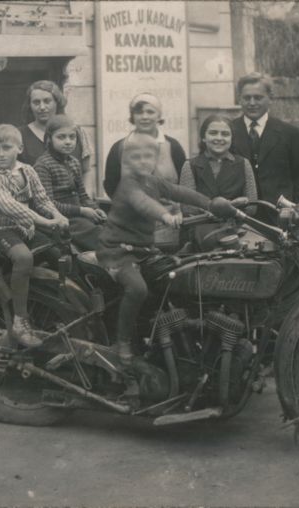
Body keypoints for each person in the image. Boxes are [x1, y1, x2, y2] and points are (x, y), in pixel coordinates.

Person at [97, 133, 237, 367]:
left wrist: (210, 204)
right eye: (136, 157)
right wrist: (165, 216)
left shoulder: (154, 181)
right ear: (126, 161)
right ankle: (121, 341)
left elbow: (180, 192)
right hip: (118, 251)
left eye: (148, 157)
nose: (143, 161)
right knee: (137, 288)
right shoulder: (129, 185)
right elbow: (143, 203)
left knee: (172, 280)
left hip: (143, 250)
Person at [0, 124, 69, 348]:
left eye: (6, 147)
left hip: (22, 228)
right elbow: (10, 207)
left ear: (19, 148)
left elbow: (41, 198)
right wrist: (47, 222)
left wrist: (57, 215)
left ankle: (60, 312)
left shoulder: (27, 170)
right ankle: (20, 321)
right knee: (23, 258)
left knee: (60, 253)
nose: (0, 153)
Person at [103, 93, 187, 249]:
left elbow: (185, 182)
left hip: (170, 225)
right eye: (139, 112)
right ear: (132, 116)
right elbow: (111, 184)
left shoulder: (173, 146)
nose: (145, 117)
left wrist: (179, 212)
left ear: (159, 116)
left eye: (150, 112)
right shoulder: (120, 147)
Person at [230, 72, 299, 221]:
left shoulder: (289, 133)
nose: (252, 102)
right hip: (240, 216)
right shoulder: (228, 132)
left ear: (271, 98)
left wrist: (296, 209)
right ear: (239, 99)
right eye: (247, 98)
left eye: (258, 97)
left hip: (280, 217)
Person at [179, 114, 257, 249]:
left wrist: (225, 208)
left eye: (225, 134)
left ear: (232, 139)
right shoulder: (190, 165)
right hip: (200, 236)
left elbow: (251, 206)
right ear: (203, 137)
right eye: (213, 133)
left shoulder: (243, 164)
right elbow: (187, 207)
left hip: (237, 234)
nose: (219, 138)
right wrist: (229, 205)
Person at [33, 115, 106, 252]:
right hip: (61, 219)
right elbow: (48, 205)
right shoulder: (43, 165)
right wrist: (82, 211)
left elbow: (83, 196)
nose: (68, 142)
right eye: (61, 137)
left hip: (79, 215)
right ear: (49, 139)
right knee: (100, 236)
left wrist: (95, 209)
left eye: (72, 137)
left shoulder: (74, 162)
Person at [17, 80, 92, 169]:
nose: (42, 107)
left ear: (57, 102)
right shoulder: (19, 135)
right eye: (36, 102)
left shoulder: (77, 131)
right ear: (30, 105)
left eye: (47, 101)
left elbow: (86, 170)